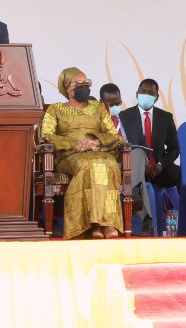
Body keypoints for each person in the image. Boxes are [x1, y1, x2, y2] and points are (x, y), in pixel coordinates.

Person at [41, 68, 126, 239]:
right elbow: (46, 136)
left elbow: (113, 135)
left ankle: (103, 223)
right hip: (69, 156)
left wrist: (95, 141)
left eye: (87, 83)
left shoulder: (98, 108)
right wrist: (75, 144)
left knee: (107, 164)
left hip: (97, 151)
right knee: (88, 165)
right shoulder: (55, 110)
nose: (85, 86)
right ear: (67, 89)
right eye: (79, 84)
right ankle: (94, 224)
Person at [120, 79, 182, 236]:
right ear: (137, 94)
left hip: (159, 168)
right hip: (137, 168)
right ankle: (146, 225)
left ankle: (185, 225)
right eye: (143, 92)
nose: (146, 95)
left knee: (180, 175)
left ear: (157, 97)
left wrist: (161, 164)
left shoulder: (165, 117)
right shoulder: (125, 116)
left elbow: (174, 148)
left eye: (150, 93)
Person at [100, 82, 155, 236]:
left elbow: (144, 146)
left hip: (132, 162)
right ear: (101, 103)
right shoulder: (97, 122)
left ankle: (133, 190)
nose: (115, 107)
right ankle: (145, 217)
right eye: (111, 105)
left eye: (118, 103)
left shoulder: (130, 118)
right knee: (136, 167)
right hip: (110, 163)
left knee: (137, 153)